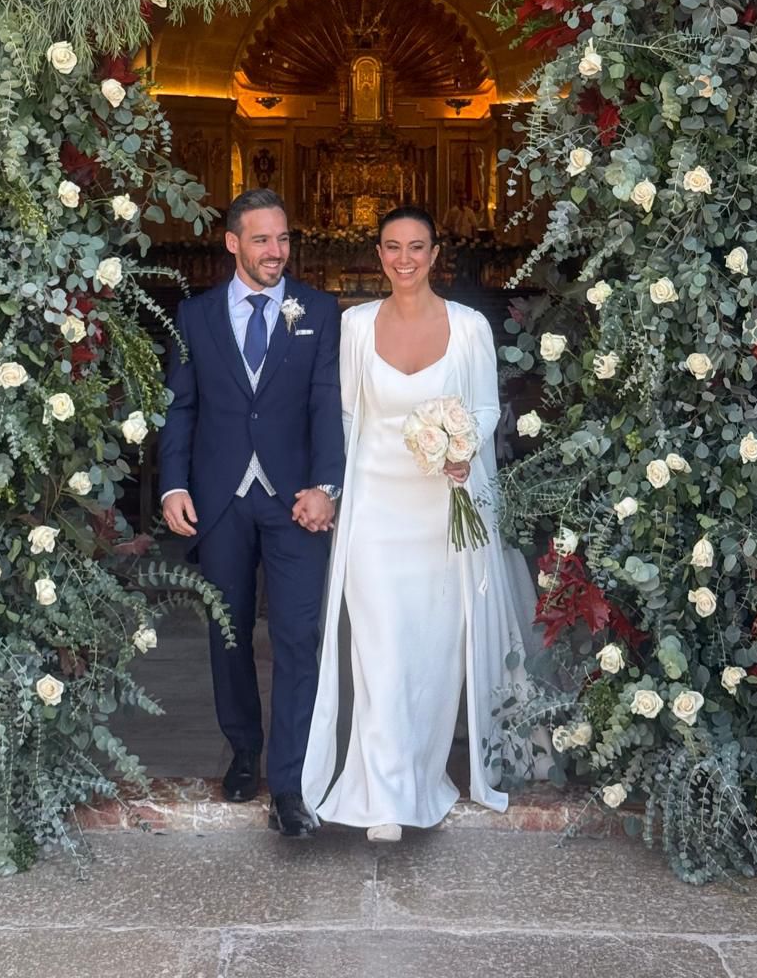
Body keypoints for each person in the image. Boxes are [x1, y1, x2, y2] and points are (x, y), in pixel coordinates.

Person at [302, 204, 549, 841]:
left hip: (443, 511)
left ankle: (420, 777)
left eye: (416, 246)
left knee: (432, 654)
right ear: (378, 255)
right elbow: (347, 417)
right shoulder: (355, 325)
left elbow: (486, 408)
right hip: (376, 510)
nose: (404, 258)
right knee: (380, 648)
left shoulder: (469, 327)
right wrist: (332, 489)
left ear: (436, 254)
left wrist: (464, 451)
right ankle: (384, 796)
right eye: (392, 246)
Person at [159, 188, 344, 838]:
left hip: (297, 502)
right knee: (229, 633)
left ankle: (289, 784)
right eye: (262, 239)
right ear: (232, 242)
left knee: (297, 637)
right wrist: (172, 486)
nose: (276, 251)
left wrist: (327, 486)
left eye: (283, 238)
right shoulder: (195, 316)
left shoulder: (319, 311)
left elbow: (327, 404)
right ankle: (243, 750)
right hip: (221, 499)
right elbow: (181, 406)